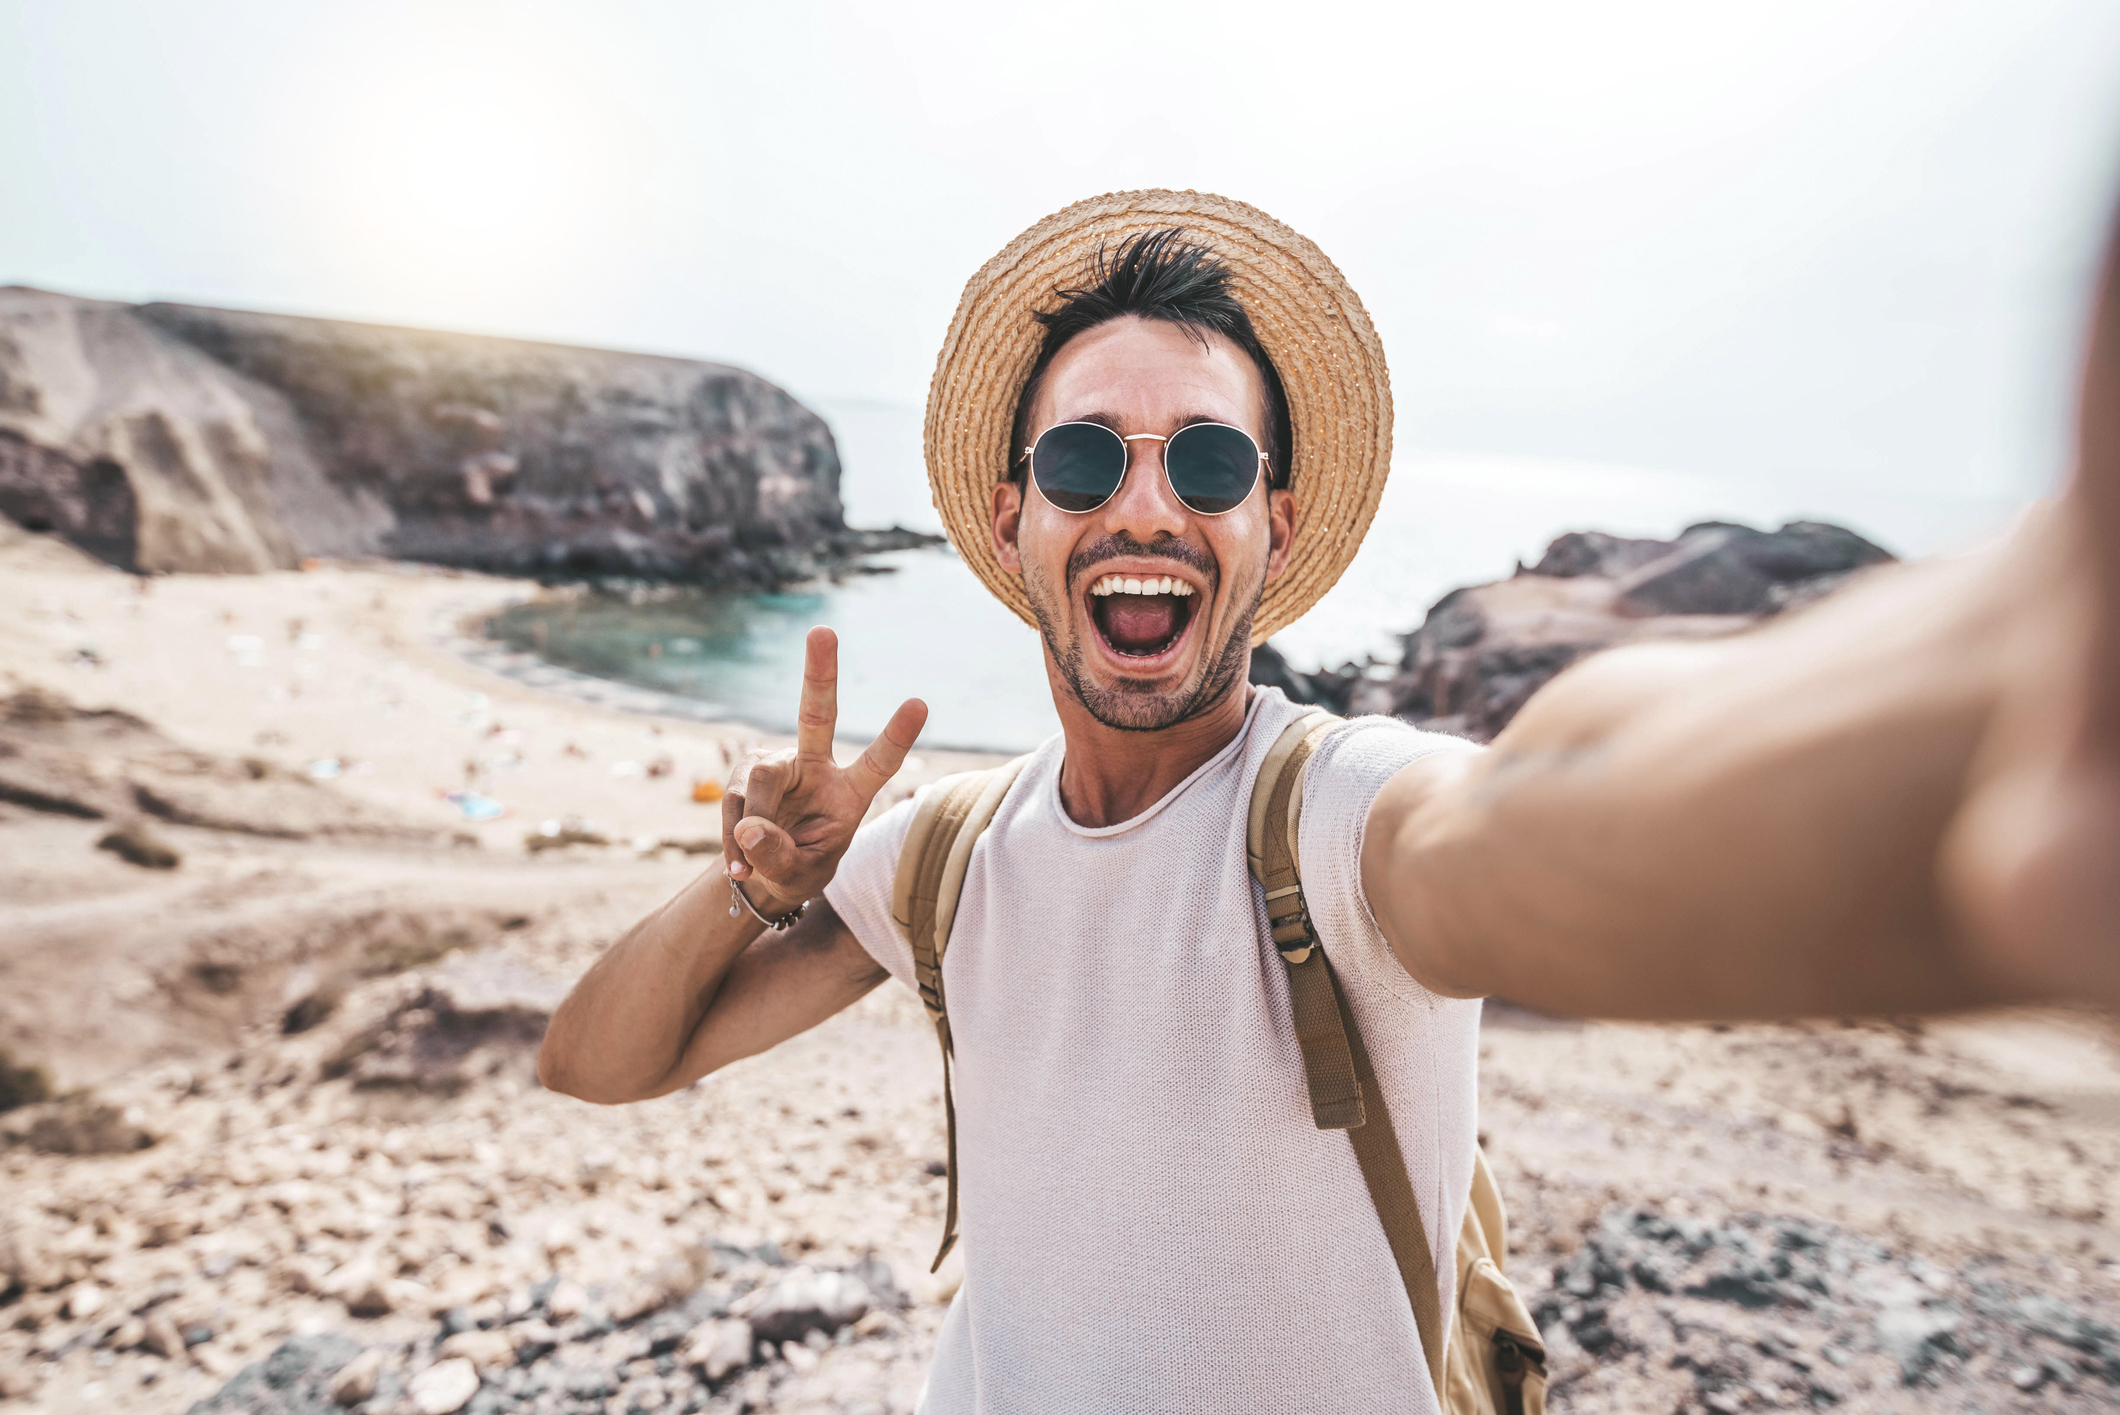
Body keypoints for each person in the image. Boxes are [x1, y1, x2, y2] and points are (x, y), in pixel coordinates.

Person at [538, 191, 2120, 1412]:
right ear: (1014, 515)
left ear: (1274, 528)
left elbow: (1537, 821)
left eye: (1208, 466)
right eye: (1086, 463)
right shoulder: (942, 858)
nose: (1146, 504)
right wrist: (753, 883)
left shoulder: (1341, 818)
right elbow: (600, 1061)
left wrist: (2030, 668)